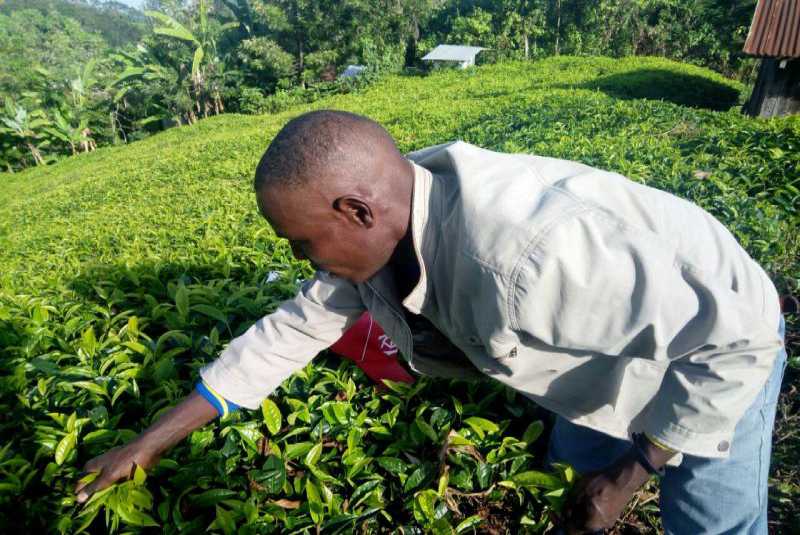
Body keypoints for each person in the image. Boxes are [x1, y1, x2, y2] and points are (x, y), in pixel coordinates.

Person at [75, 110, 787, 534]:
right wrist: (150, 441)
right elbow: (290, 331)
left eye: (301, 241)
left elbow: (738, 339)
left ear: (356, 211)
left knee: (707, 522)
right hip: (602, 361)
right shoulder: (389, 225)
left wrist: (634, 472)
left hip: (718, 355)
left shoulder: (532, 256)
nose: (300, 259)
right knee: (570, 483)